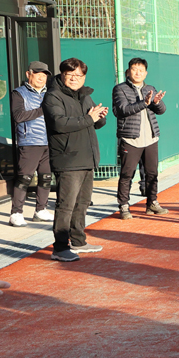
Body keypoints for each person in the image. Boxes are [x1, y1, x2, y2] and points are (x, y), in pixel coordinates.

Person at [43, 58, 107, 263]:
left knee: (82, 203)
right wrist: (90, 118)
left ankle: (78, 240)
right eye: (70, 75)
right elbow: (59, 123)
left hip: (87, 158)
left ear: (84, 77)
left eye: (78, 75)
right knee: (66, 205)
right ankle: (60, 247)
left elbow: (94, 123)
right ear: (62, 75)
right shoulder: (53, 96)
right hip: (68, 160)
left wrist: (100, 116)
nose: (74, 79)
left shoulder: (85, 95)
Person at [112, 57, 169, 220]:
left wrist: (156, 102)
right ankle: (124, 206)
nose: (138, 72)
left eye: (141, 70)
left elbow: (162, 110)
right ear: (128, 72)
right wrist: (144, 103)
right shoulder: (119, 89)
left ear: (146, 73)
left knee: (152, 173)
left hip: (151, 138)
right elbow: (122, 110)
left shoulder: (149, 88)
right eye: (134, 69)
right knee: (127, 174)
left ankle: (152, 202)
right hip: (130, 139)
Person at [8, 61, 54, 227]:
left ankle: (40, 210)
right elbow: (18, 116)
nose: (42, 77)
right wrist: (44, 109)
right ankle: (16, 213)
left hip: (49, 142)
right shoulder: (18, 93)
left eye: (44, 74)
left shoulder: (50, 93)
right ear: (29, 74)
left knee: (46, 177)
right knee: (24, 178)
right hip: (29, 141)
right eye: (38, 73)